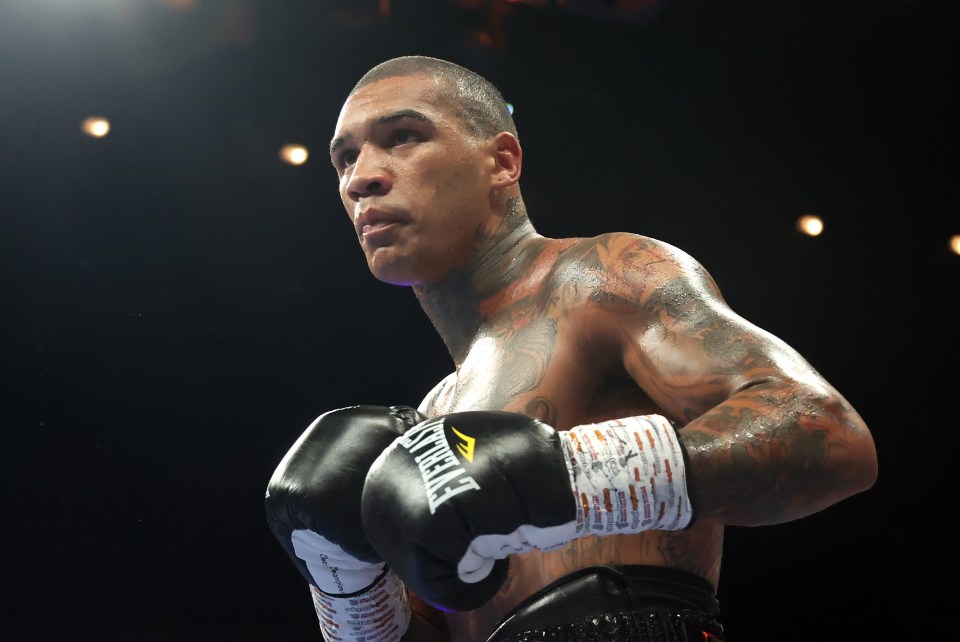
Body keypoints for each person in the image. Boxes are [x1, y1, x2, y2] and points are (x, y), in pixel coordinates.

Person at [265, 55, 878, 642]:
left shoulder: (601, 278)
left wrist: (565, 477)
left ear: (502, 161)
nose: (362, 177)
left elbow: (828, 434)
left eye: (402, 136)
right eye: (344, 158)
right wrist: (346, 586)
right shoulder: (433, 419)